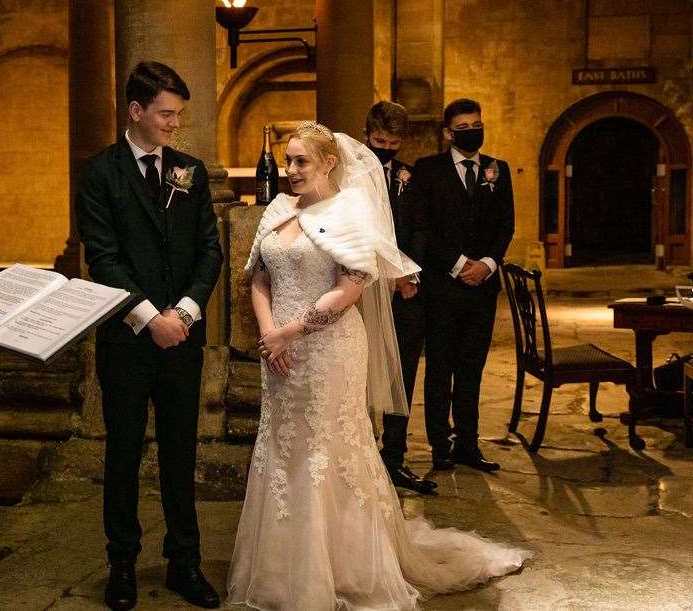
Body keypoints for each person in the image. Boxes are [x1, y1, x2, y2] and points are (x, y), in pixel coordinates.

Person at [226, 121, 530, 610]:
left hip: (327, 347)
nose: (292, 170)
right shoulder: (279, 209)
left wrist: (290, 330)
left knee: (328, 448)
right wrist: (268, 334)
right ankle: (284, 568)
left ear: (328, 163)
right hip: (277, 353)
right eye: (288, 160)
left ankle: (342, 565)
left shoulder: (348, 211)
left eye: (302, 161)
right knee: (283, 448)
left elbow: (351, 289)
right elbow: (259, 277)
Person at [77, 61, 224, 610]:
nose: (173, 125)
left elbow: (209, 247)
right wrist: (148, 316)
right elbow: (104, 256)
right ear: (135, 112)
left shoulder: (190, 170)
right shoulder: (100, 173)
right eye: (166, 114)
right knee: (123, 452)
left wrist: (184, 312)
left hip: (181, 338)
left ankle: (184, 560)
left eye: (178, 115)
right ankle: (122, 563)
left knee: (182, 451)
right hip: (128, 340)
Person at [412, 99, 515, 473]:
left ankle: (468, 445)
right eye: (464, 125)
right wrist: (458, 264)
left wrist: (487, 264)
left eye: (477, 124)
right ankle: (441, 446)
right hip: (443, 286)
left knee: (472, 368)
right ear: (448, 132)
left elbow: (506, 225)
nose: (473, 130)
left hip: (482, 289)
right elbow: (422, 228)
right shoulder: (428, 170)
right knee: (440, 368)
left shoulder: (497, 170)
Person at [365, 101, 437, 496]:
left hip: (407, 288)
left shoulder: (411, 176)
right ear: (367, 135)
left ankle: (394, 457)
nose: (387, 148)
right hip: (365, 288)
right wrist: (387, 276)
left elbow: (421, 227)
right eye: (380, 140)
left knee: (402, 374)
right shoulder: (350, 177)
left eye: (394, 141)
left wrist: (409, 272)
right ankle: (363, 456)